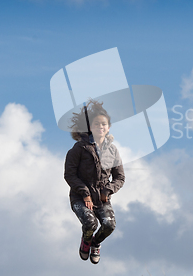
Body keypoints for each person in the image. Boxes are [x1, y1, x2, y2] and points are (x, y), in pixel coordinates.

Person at [64, 100, 125, 264]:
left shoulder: (112, 150)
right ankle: (86, 240)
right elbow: (69, 175)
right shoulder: (78, 149)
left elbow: (120, 177)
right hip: (80, 198)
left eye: (104, 124)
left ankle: (95, 243)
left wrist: (108, 190)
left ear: (108, 127)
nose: (100, 127)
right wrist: (85, 194)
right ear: (90, 126)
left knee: (109, 226)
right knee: (91, 223)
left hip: (102, 199)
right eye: (96, 124)